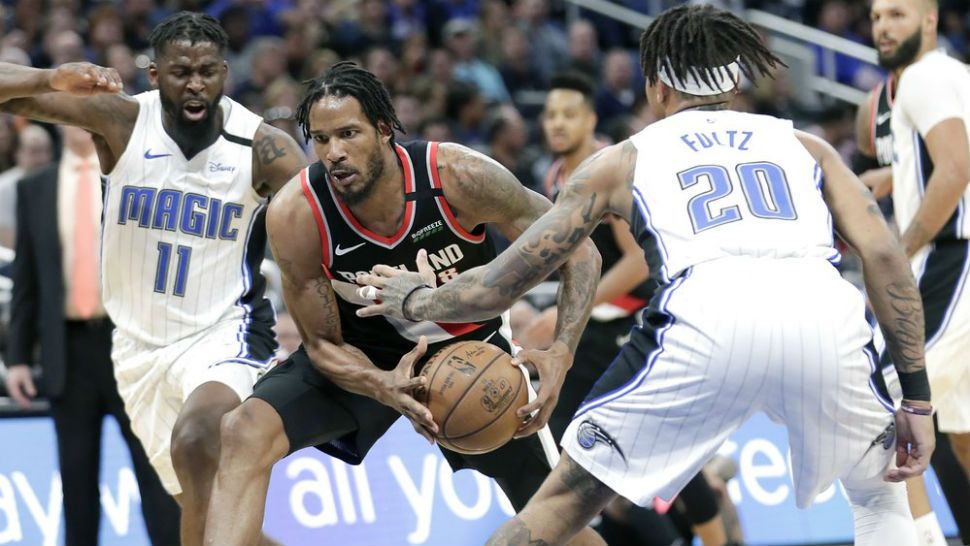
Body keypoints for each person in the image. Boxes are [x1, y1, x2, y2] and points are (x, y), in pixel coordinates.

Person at [356, 6, 936, 546]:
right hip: (822, 311)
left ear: (656, 87)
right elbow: (885, 261)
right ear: (734, 83)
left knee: (562, 503)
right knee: (880, 496)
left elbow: (499, 285)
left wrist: (417, 301)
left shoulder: (621, 160)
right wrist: (917, 399)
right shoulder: (808, 146)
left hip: (707, 316)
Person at [202, 61, 603, 546]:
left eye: (348, 133)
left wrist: (562, 350)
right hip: (362, 354)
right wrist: (380, 384)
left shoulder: (457, 176)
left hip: (471, 352)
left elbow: (579, 250)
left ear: (385, 129)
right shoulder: (296, 212)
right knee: (244, 430)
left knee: (559, 523)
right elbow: (322, 343)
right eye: (321, 140)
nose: (333, 153)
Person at [0, 11, 306, 546]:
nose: (195, 83)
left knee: (196, 440)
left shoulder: (264, 148)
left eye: (208, 71)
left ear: (225, 72)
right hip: (137, 349)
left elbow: (324, 225)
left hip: (224, 333)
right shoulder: (119, 120)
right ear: (155, 74)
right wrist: (47, 78)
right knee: (212, 517)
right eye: (181, 70)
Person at [528, 71, 735, 546]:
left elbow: (639, 261)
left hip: (640, 323)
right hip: (595, 333)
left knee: (666, 460)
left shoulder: (610, 169)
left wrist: (569, 313)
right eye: (551, 114)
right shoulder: (553, 176)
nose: (557, 123)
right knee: (575, 452)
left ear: (591, 119)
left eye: (569, 114)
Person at [5, 124, 181, 546]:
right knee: (76, 482)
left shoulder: (133, 177)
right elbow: (27, 282)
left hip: (131, 346)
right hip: (68, 349)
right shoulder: (35, 188)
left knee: (156, 476)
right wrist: (16, 359)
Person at [854, 37, 970, 543]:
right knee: (962, 431)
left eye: (897, 13)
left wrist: (901, 250)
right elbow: (870, 139)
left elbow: (956, 168)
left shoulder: (925, 77)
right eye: (877, 14)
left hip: (953, 253)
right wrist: (896, 172)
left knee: (882, 396)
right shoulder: (940, 81)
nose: (882, 25)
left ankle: (920, 538)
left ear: (929, 21)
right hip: (952, 253)